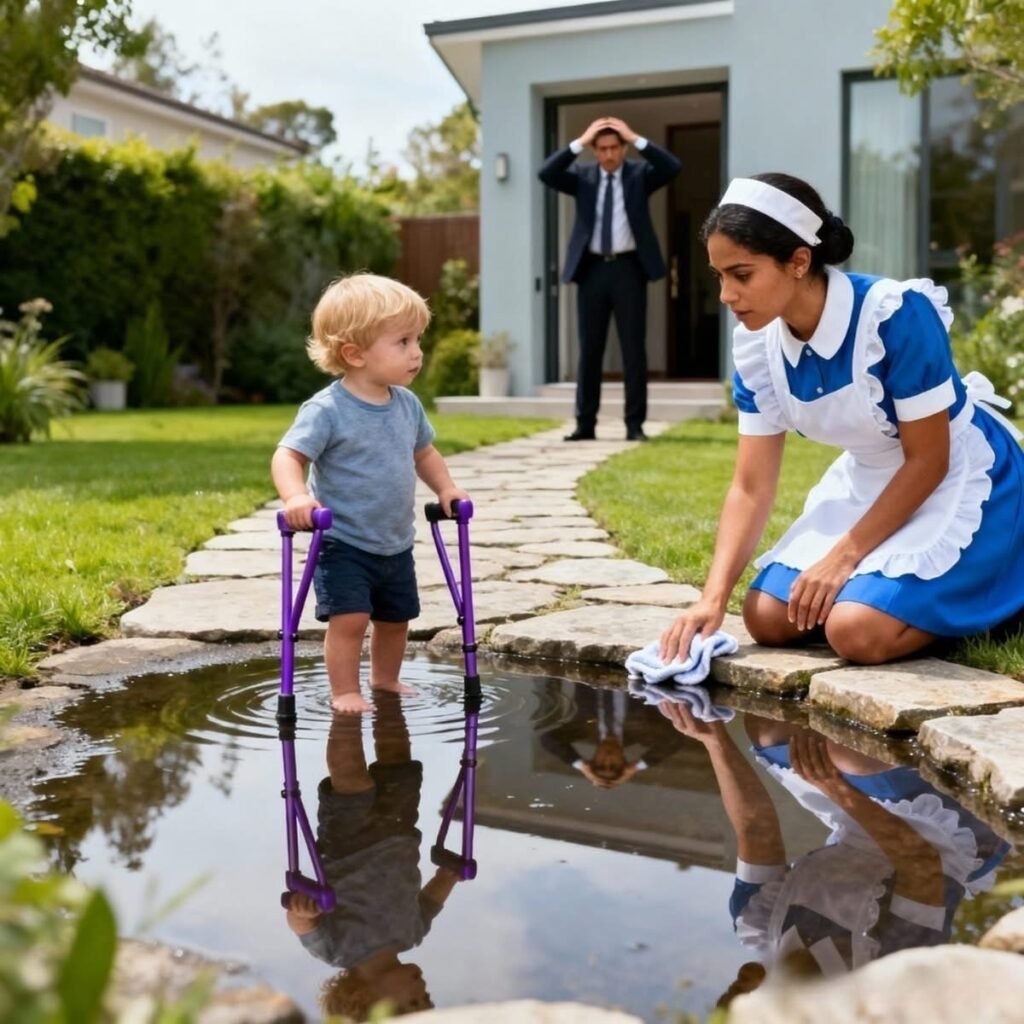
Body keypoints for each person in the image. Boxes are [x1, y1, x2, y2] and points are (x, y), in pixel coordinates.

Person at [661, 172, 1024, 666]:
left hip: (959, 477)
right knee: (765, 617)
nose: (726, 295)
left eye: (741, 275)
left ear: (799, 261)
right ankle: (887, 595)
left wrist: (843, 557)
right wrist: (712, 597)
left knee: (854, 632)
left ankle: (990, 599)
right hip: (870, 481)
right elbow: (751, 487)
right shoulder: (757, 347)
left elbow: (929, 460)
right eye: (719, 276)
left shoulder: (893, 316)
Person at [658, 704, 1010, 1006]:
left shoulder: (757, 925)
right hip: (942, 833)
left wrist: (715, 739)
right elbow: (921, 864)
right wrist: (836, 787)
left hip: (857, 818)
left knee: (765, 729)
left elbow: (756, 829)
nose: (747, 980)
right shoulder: (884, 974)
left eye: (737, 988)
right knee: (848, 757)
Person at [272, 273, 469, 713]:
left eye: (418, 339)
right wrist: (296, 497)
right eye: (403, 341)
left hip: (395, 541)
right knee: (351, 620)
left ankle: (385, 679)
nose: (417, 352)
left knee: (396, 619)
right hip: (344, 543)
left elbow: (425, 453)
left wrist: (446, 487)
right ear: (354, 353)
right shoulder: (326, 410)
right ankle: (344, 690)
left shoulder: (407, 405)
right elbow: (288, 456)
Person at [284, 697, 463, 1021]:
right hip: (399, 830)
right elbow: (430, 902)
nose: (421, 991)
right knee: (400, 765)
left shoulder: (335, 951)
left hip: (347, 845)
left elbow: (302, 928)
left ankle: (345, 713)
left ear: (367, 1000)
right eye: (426, 998)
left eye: (411, 1003)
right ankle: (386, 694)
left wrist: (302, 913)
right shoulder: (412, 935)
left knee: (352, 781)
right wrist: (446, 878)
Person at [539, 116, 682, 442]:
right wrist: (581, 139)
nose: (608, 154)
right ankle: (585, 424)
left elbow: (672, 167)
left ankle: (634, 426)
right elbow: (546, 173)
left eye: (614, 147)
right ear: (595, 150)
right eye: (601, 148)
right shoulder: (582, 176)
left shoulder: (639, 174)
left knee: (634, 349)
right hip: (591, 270)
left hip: (629, 269)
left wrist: (635, 136)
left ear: (622, 148)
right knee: (590, 349)